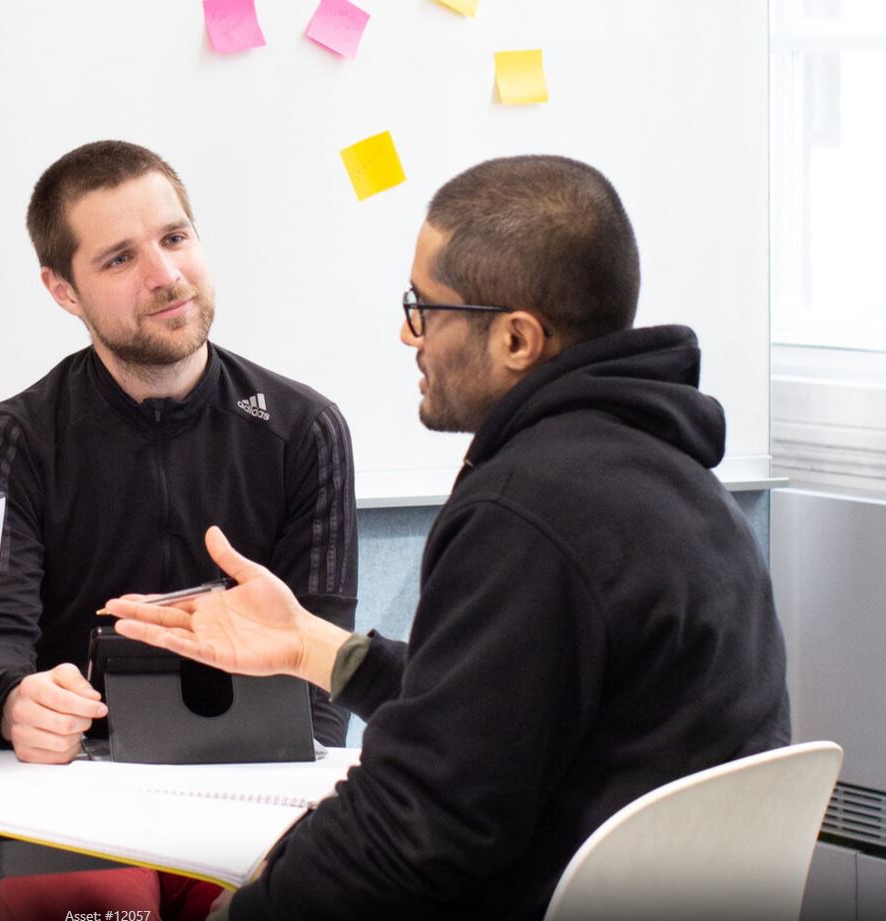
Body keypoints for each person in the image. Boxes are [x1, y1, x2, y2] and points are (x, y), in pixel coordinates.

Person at [107, 155, 792, 920]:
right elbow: (496, 718)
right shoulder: (663, 474)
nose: (409, 334)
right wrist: (313, 646)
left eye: (424, 307)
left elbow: (417, 821)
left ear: (516, 339)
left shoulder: (531, 509)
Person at [0, 140, 359, 919]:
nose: (165, 274)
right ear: (63, 290)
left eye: (175, 238)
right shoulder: (15, 440)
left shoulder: (305, 430)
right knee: (102, 902)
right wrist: (12, 705)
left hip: (249, 785)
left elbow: (323, 675)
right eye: (118, 259)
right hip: (72, 787)